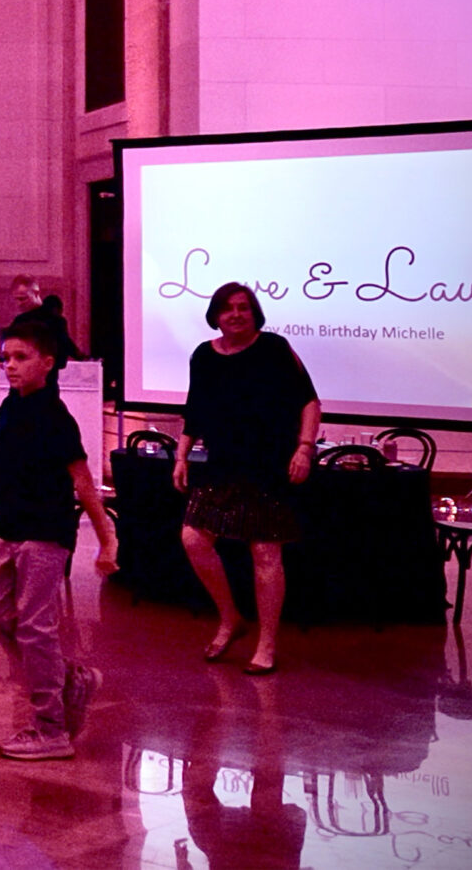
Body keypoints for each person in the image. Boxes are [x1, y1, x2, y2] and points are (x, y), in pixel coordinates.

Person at [0, 316, 117, 760]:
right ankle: (69, 680)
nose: (10, 366)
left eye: (21, 358)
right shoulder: (14, 407)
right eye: (6, 358)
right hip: (10, 527)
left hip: (44, 531)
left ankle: (51, 728)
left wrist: (106, 538)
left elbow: (82, 481)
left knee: (35, 627)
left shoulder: (56, 417)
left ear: (48, 362)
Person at [174, 282, 319, 677]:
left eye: (243, 307)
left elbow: (309, 400)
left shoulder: (275, 348)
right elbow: (196, 409)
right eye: (227, 308)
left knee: (265, 553)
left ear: (254, 312)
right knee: (193, 538)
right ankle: (230, 618)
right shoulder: (203, 355)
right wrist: (181, 455)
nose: (235, 314)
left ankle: (267, 643)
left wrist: (305, 448)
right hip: (222, 463)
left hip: (270, 464)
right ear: (215, 315)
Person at [9, 274, 84, 361]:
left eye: (23, 299)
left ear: (36, 293)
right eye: (16, 299)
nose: (19, 304)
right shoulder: (19, 321)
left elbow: (64, 345)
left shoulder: (21, 321)